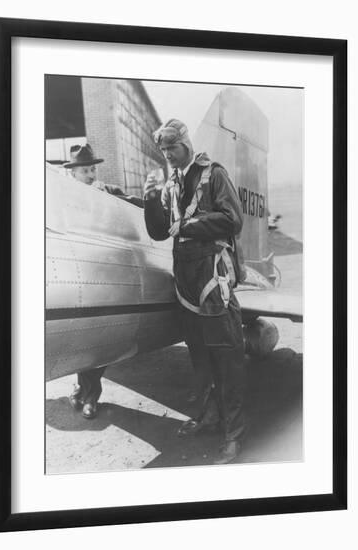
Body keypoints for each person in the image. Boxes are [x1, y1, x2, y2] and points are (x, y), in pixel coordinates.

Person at [143, 119, 246, 464]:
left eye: (172, 147)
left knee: (226, 357)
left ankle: (233, 435)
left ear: (186, 143)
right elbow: (160, 233)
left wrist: (187, 224)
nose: (168, 154)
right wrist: (149, 200)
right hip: (185, 277)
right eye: (164, 149)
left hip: (212, 277)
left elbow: (233, 220)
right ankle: (210, 416)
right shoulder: (171, 183)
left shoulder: (213, 173)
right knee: (199, 356)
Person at [65, 144, 142, 419]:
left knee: (98, 342)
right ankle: (82, 389)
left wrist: (155, 201)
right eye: (85, 170)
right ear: (72, 173)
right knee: (81, 339)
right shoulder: (63, 198)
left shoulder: (106, 192)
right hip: (80, 274)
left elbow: (133, 202)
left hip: (106, 276)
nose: (90, 174)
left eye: (92, 169)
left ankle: (89, 396)